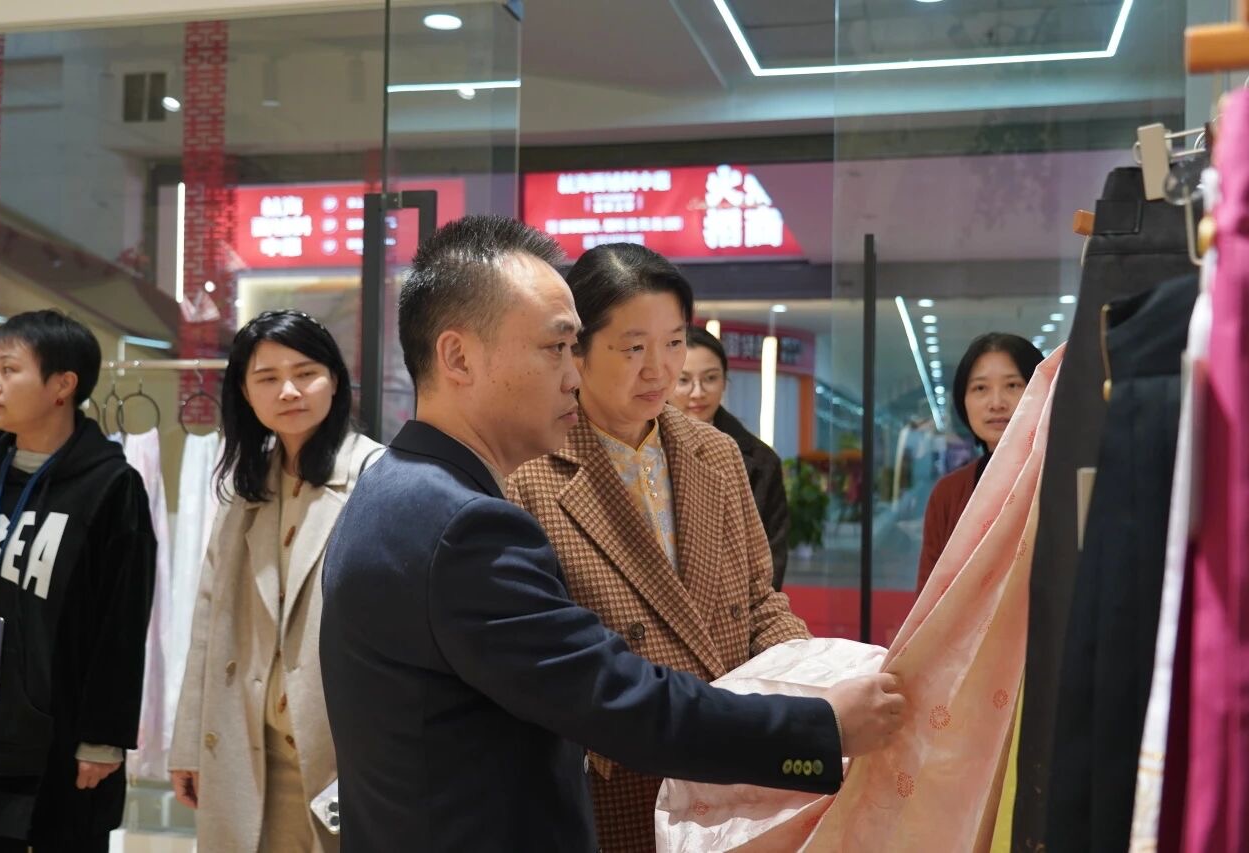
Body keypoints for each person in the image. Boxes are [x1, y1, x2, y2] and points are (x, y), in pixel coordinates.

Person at [319, 215, 905, 853]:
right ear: (459, 357)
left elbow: (753, 601)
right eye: (556, 348)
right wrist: (820, 727)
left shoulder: (394, 486)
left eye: (674, 342)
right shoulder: (467, 524)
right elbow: (614, 696)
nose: (571, 376)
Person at [507, 246, 806, 850]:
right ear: (578, 349)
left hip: (734, 776)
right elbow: (536, 665)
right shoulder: (529, 472)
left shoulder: (716, 452)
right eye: (633, 348)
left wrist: (810, 684)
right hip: (616, 779)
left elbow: (758, 601)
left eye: (673, 343)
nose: (659, 370)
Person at [170, 310, 382, 853]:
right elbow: (209, 619)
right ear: (245, 392)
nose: (288, 391)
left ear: (334, 380)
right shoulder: (245, 487)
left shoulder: (377, 476)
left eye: (305, 373)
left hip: (338, 758)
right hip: (246, 752)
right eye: (267, 378)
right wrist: (189, 744)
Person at [0, 310, 156, 853]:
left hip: (61, 748)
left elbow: (122, 623)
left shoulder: (112, 486)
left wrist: (103, 737)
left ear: (62, 385)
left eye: (10, 369)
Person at [916, 332, 1043, 593]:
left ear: (1042, 391)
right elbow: (928, 603)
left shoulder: (1063, 483)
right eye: (980, 388)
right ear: (963, 402)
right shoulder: (948, 494)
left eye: (1013, 385)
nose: (996, 403)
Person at [671, 323, 791, 590]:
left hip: (735, 602)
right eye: (683, 380)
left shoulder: (761, 460)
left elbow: (772, 556)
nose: (698, 392)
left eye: (710, 378)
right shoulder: (640, 446)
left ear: (725, 381)